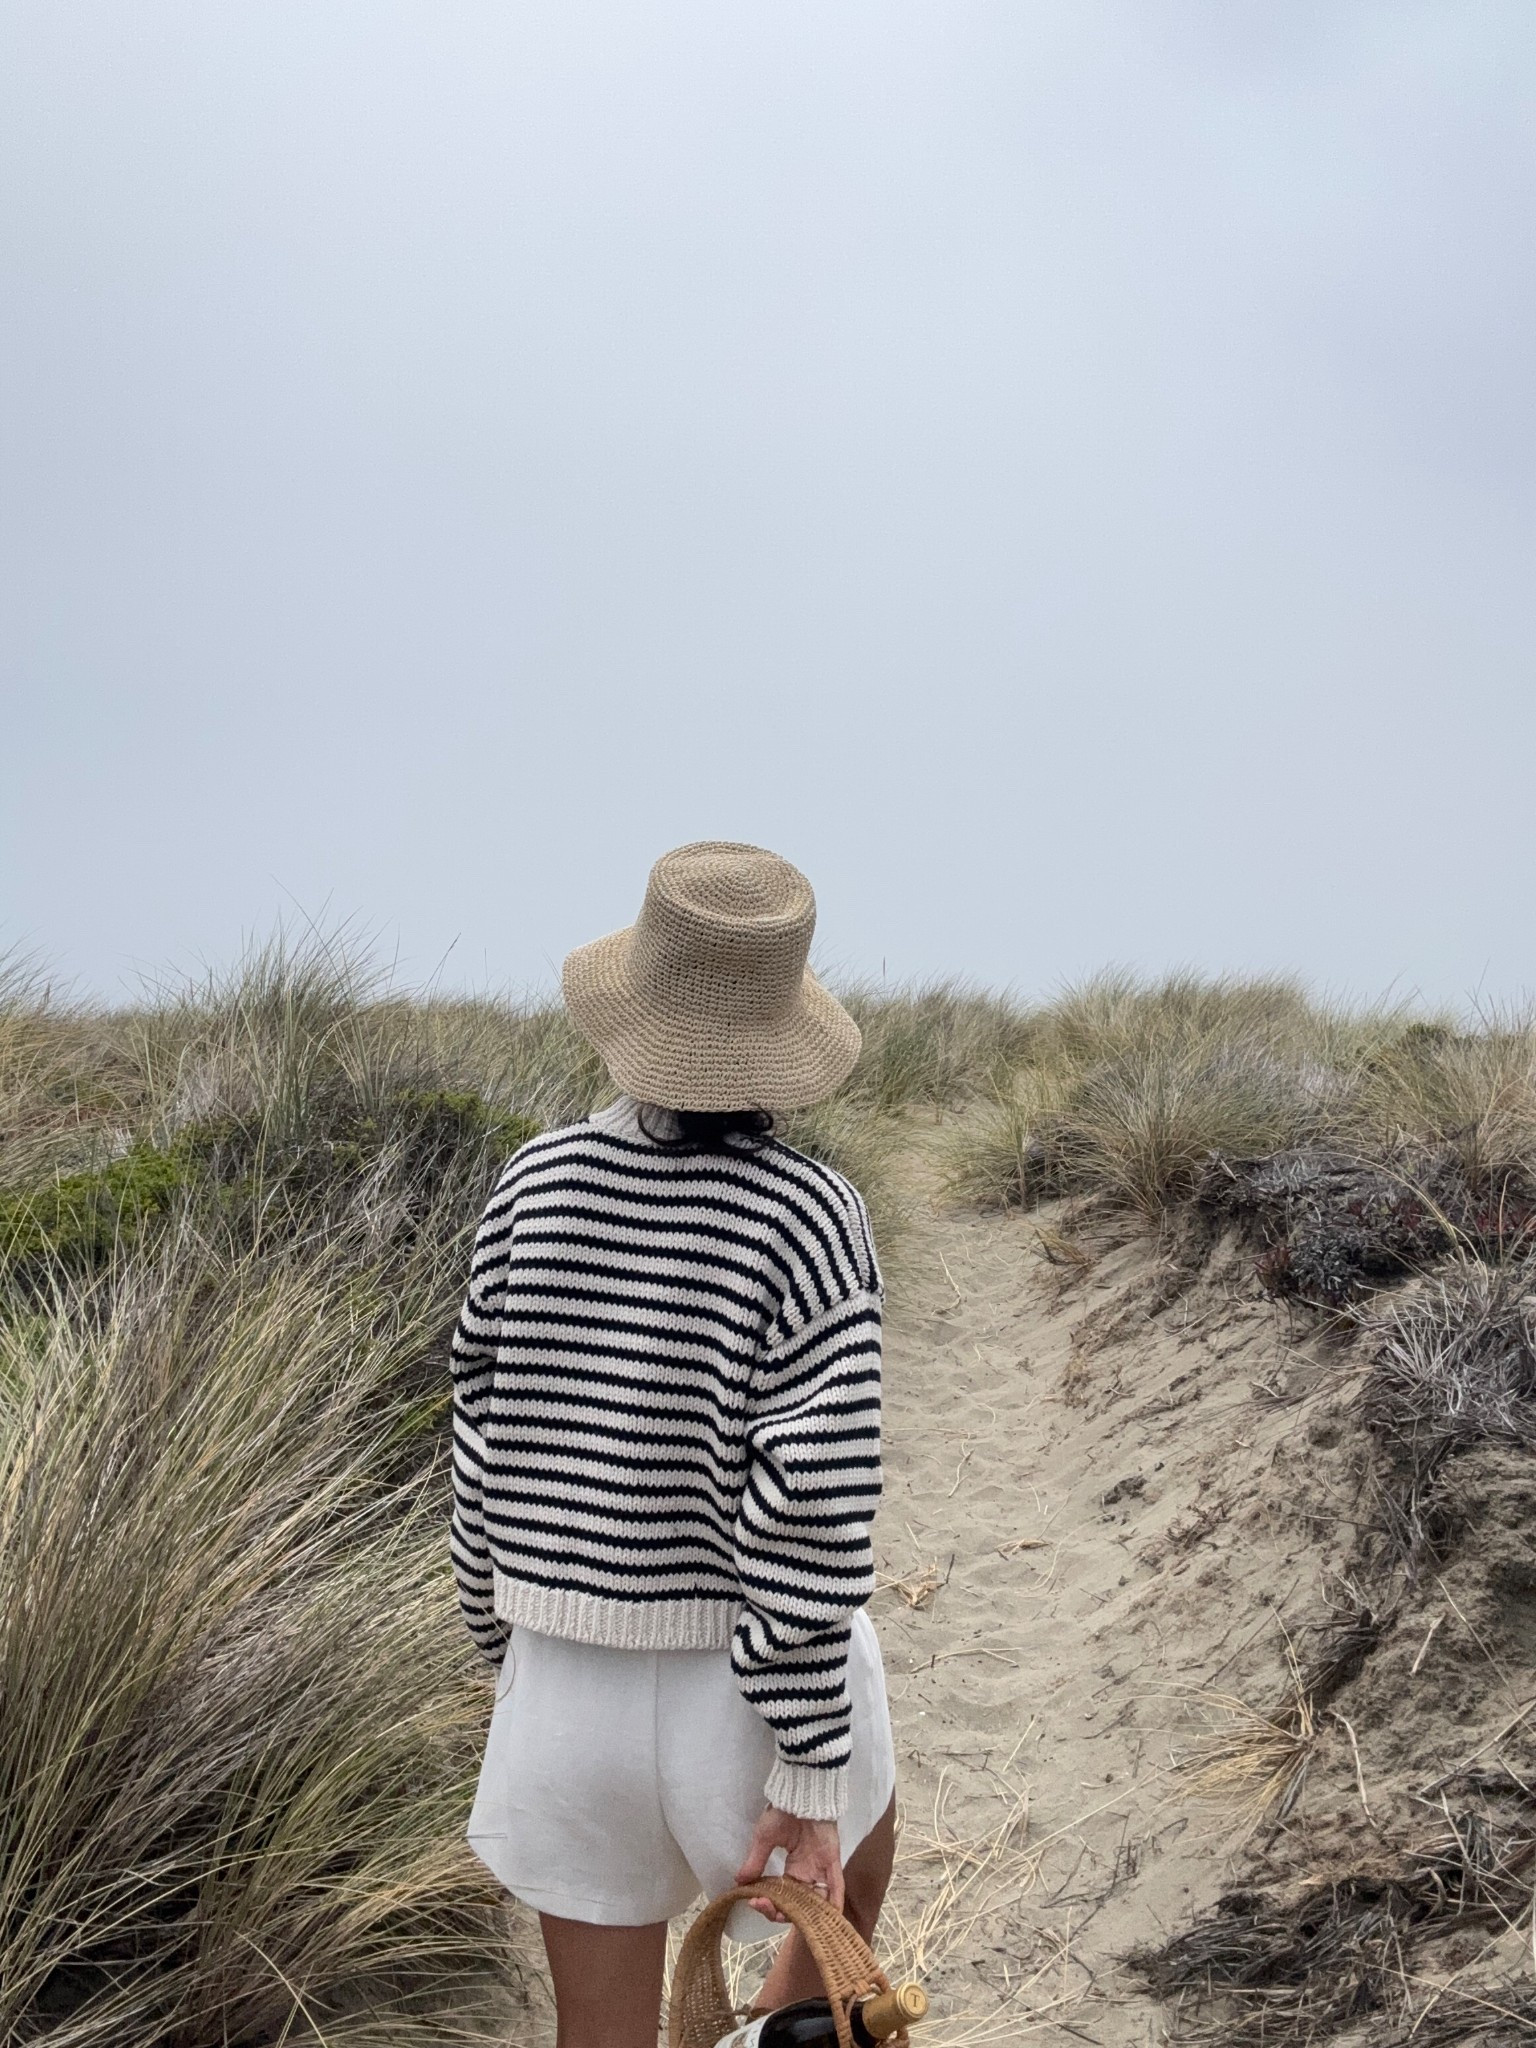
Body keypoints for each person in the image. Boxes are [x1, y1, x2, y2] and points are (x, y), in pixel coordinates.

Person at [450, 841, 897, 2048]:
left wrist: (502, 1642)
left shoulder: (530, 1184)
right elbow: (810, 1507)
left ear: (634, 1004)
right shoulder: (811, 1215)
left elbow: (476, 1435)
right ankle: (767, 2031)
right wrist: (810, 1769)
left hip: (560, 1690)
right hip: (736, 1705)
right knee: (855, 1888)